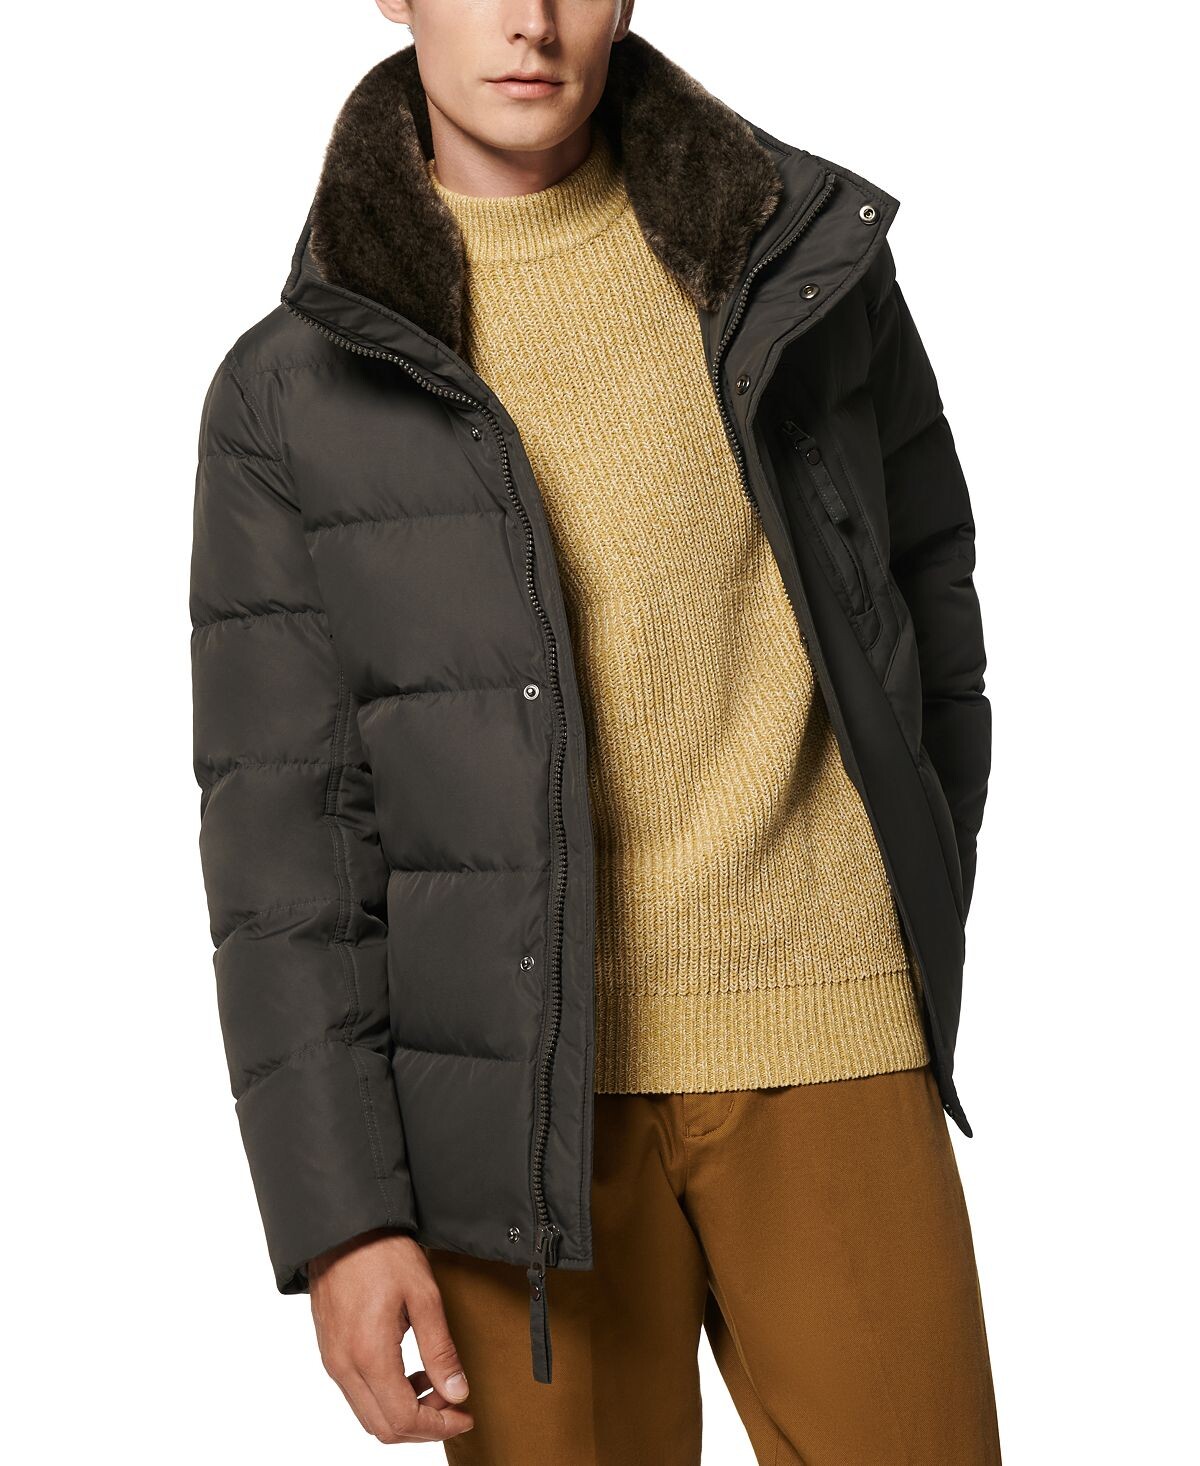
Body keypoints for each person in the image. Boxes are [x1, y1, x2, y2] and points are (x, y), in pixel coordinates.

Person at [189, 2, 999, 1461]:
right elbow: (284, 836)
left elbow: (924, 603)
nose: (528, 20)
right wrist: (344, 1218)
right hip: (507, 1111)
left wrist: (902, 897)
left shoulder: (797, 265)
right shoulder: (290, 390)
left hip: (827, 1026)